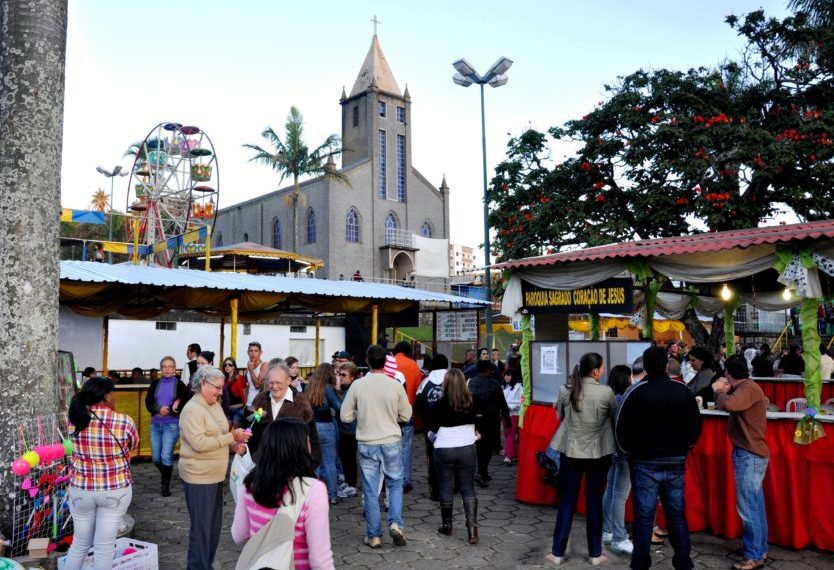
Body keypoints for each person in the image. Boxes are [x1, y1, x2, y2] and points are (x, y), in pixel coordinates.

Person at [615, 346, 702, 570]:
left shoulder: (635, 392)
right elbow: (695, 426)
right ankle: (683, 561)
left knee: (644, 515)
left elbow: (621, 429)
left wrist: (629, 453)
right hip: (675, 460)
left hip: (644, 461)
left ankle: (640, 563)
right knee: (676, 513)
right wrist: (685, 448)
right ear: (666, 365)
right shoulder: (682, 391)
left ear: (644, 366)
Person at [231, 417, 335, 569]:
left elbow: (238, 535)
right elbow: (320, 561)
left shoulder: (249, 485)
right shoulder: (313, 490)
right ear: (299, 448)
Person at [546, 353, 616, 567]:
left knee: (567, 501)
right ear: (596, 371)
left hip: (571, 451)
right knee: (594, 501)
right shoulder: (606, 392)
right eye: (601, 368)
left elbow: (561, 419)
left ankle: (557, 552)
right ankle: (595, 554)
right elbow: (614, 419)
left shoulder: (566, 390)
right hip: (598, 453)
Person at [340, 344, 412, 549]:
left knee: (371, 491)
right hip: (390, 441)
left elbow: (345, 416)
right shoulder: (395, 384)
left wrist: (358, 415)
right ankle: (396, 524)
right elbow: (406, 415)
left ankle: (374, 536)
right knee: (395, 484)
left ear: (368, 361)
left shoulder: (358, 385)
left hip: (367, 443)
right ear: (386, 361)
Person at [179, 366, 251, 570]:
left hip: (215, 476)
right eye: (217, 388)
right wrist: (231, 437)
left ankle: (206, 565)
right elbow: (199, 443)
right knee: (201, 530)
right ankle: (197, 567)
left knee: (212, 528)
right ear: (202, 383)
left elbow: (221, 432)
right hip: (199, 477)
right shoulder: (192, 409)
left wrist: (234, 445)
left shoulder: (214, 405)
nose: (220, 392)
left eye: (221, 388)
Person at [64, 377, 138, 570]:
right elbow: (133, 444)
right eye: (112, 393)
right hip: (115, 490)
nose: (114, 397)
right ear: (107, 396)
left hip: (80, 490)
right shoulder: (123, 421)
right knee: (104, 546)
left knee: (79, 544)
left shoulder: (74, 419)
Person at [712, 356, 770, 570]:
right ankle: (758, 549)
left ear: (728, 373)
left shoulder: (747, 389)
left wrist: (718, 389)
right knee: (754, 505)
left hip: (749, 454)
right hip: (751, 454)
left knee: (748, 507)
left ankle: (754, 555)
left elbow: (728, 403)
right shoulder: (748, 387)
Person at [429, 369, 480, 544]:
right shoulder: (472, 401)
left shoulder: (440, 404)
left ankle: (447, 525)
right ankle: (472, 530)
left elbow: (431, 429)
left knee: (446, 486)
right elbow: (487, 416)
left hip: (444, 449)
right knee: (468, 487)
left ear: (446, 383)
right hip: (467, 447)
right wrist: (477, 432)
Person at [250, 362, 322, 466]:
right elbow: (251, 430)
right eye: (271, 383)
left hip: (293, 464)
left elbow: (312, 434)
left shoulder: (301, 401)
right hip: (264, 464)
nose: (274, 387)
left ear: (288, 381)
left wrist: (313, 462)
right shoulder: (260, 399)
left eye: (279, 383)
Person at [145, 356, 190, 497]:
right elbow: (148, 402)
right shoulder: (155, 384)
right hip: (155, 424)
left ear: (174, 368)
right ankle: (167, 472)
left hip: (171, 424)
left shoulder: (180, 384)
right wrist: (158, 409)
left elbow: (185, 401)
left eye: (170, 366)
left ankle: (165, 485)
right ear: (161, 369)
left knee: (166, 455)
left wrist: (171, 409)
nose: (167, 369)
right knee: (156, 458)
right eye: (164, 366)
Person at [602, 364, 635, 555]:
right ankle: (619, 537)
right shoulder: (623, 400)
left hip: (611, 452)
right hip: (622, 454)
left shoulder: (610, 397)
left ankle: (607, 532)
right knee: (619, 495)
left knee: (611, 492)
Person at [469, 360, 510, 487]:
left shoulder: (472, 383)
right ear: (487, 370)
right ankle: (481, 472)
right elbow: (503, 404)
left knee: (479, 446)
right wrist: (507, 420)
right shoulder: (495, 384)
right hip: (491, 421)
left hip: (475, 421)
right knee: (488, 447)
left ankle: (483, 472)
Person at [306, 363, 342, 505]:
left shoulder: (309, 387)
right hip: (327, 426)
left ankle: (315, 495)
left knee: (315, 462)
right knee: (329, 462)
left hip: (312, 427)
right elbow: (338, 407)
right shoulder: (327, 388)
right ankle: (332, 496)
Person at [415, 353, 449, 501]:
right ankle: (451, 489)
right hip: (451, 426)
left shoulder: (425, 382)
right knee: (451, 459)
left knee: (433, 458)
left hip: (430, 428)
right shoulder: (453, 378)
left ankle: (435, 491)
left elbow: (417, 404)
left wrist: (426, 420)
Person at [393, 341, 422, 493]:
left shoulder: (388, 364)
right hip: (407, 412)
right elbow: (418, 389)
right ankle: (405, 481)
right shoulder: (413, 365)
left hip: (389, 413)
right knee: (406, 448)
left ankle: (388, 479)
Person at [336, 361, 359, 497]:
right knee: (343, 456)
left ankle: (351, 483)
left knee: (349, 458)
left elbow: (344, 405)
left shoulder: (352, 390)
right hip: (342, 428)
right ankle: (346, 482)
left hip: (351, 429)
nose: (340, 377)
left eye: (344, 375)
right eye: (339, 374)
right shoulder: (342, 388)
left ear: (352, 377)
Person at [502, 367, 522, 465]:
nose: (506, 377)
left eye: (509, 375)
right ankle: (515, 453)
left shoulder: (519, 387)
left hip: (514, 414)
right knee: (507, 435)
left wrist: (511, 407)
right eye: (505, 374)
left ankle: (508, 456)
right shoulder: (503, 387)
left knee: (510, 434)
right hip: (504, 414)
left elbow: (521, 402)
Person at [221, 357, 247, 426]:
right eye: (225, 365)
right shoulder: (224, 380)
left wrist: (244, 406)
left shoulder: (239, 378)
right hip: (227, 409)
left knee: (237, 428)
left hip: (238, 409)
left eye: (230, 365)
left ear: (234, 367)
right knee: (224, 430)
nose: (227, 366)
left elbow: (245, 393)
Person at [245, 342, 269, 409]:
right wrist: (245, 403)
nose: (253, 353)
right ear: (248, 353)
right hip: (248, 404)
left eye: (256, 351)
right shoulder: (250, 365)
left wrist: (251, 370)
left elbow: (257, 386)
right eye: (251, 351)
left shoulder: (264, 365)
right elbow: (249, 387)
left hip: (258, 404)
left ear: (260, 352)